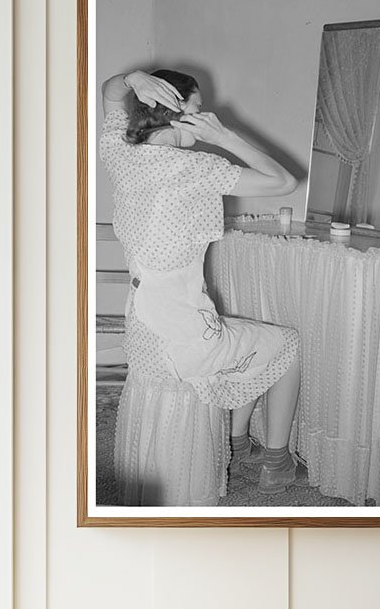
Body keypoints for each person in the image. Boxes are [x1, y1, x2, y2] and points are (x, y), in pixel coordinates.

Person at [100, 67, 305, 495]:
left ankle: (237, 441)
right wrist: (224, 136)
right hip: (184, 331)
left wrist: (134, 78)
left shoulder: (121, 155)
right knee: (286, 345)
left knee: (238, 350)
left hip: (142, 327)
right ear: (178, 114)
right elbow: (285, 182)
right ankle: (276, 462)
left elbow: (110, 92)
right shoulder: (197, 169)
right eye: (198, 109)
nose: (205, 116)